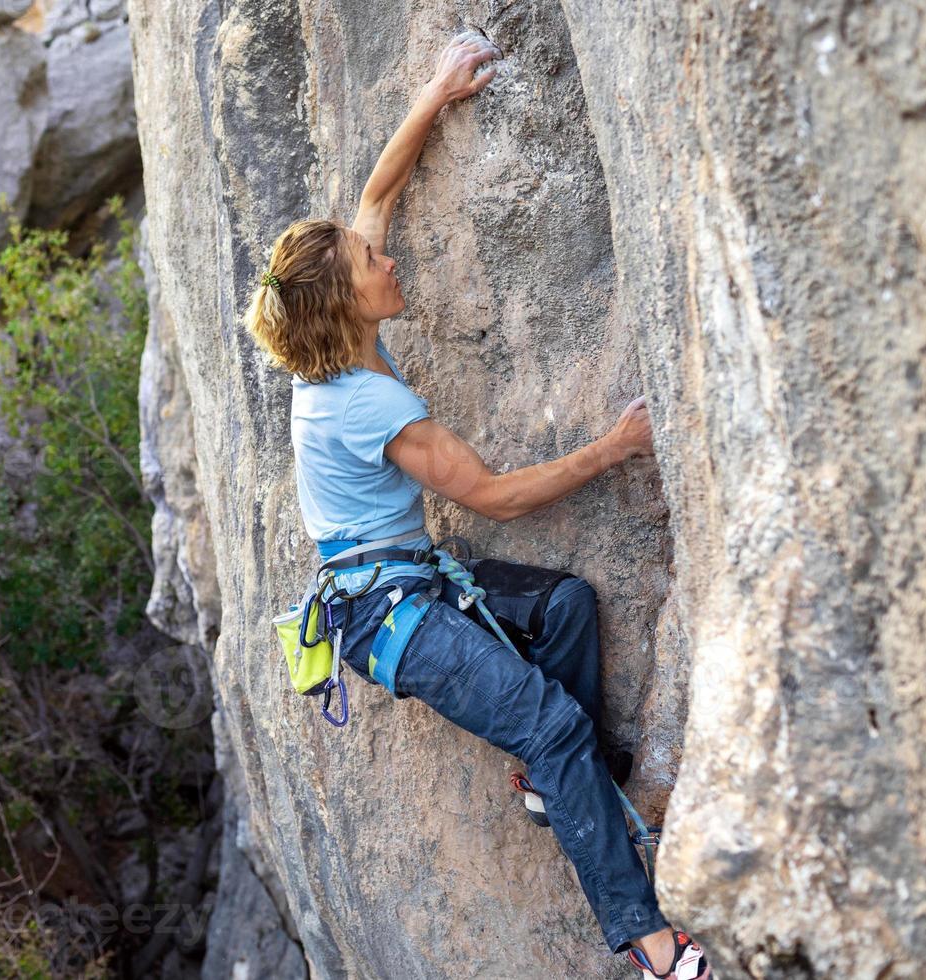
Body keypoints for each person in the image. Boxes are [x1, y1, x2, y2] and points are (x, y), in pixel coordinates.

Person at [242, 35, 713, 980]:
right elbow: (493, 496)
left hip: (402, 585)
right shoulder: (372, 405)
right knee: (556, 723)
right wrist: (616, 448)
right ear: (351, 304)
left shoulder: (337, 352)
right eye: (374, 262)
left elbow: (375, 196)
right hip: (393, 620)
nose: (389, 255)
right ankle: (652, 946)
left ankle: (552, 786)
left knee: (567, 607)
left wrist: (433, 95)